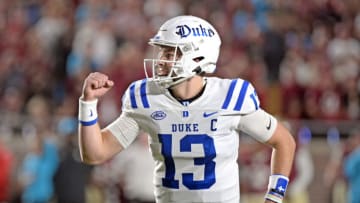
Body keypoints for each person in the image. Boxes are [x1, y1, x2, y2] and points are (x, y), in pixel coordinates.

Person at [78, 15, 296, 203]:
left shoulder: (229, 97)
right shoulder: (146, 98)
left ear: (198, 57)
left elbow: (284, 141)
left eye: (170, 53)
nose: (160, 61)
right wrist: (88, 104)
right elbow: (96, 154)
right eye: (162, 52)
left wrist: (274, 197)